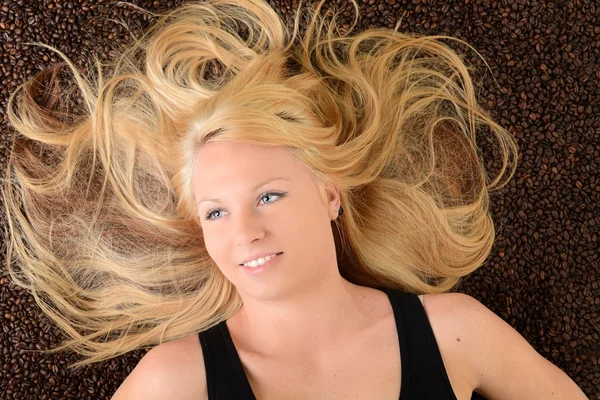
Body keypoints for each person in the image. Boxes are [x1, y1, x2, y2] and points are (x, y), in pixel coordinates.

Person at [1, 0, 587, 399]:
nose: (245, 232)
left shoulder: (455, 331)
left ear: (329, 194)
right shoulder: (177, 380)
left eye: (270, 195)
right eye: (216, 212)